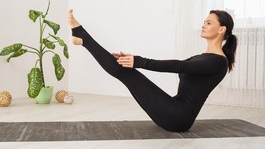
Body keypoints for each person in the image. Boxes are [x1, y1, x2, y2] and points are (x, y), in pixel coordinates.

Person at [67, 9, 237, 132]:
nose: (203, 25)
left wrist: (138, 61)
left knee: (128, 73)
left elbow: (179, 66)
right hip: (173, 110)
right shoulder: (202, 57)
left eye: (209, 23)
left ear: (221, 30)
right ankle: (83, 38)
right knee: (125, 69)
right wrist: (128, 59)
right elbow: (181, 66)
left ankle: (84, 38)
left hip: (179, 118)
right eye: (204, 22)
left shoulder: (219, 62)